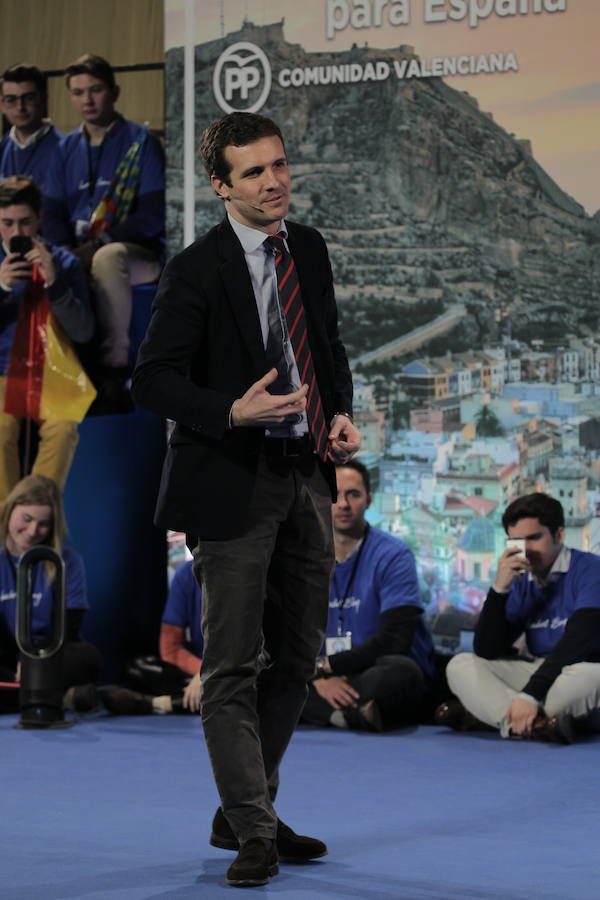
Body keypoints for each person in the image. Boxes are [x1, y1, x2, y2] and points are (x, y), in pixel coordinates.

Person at [132, 111, 361, 887]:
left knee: (297, 659)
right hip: (229, 481)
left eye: (280, 165)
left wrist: (340, 412)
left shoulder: (311, 249)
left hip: (304, 474)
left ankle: (243, 810)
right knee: (233, 665)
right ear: (222, 187)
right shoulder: (197, 270)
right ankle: (256, 830)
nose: (275, 182)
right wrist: (234, 410)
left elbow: (327, 347)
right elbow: (152, 379)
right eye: (255, 172)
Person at [43, 54, 165, 412]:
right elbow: (50, 213)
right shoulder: (62, 149)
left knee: (107, 258)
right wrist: (66, 251)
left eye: (95, 90)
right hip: (77, 249)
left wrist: (99, 244)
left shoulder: (141, 143)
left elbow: (152, 215)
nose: (87, 100)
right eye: (78, 92)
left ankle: (114, 370)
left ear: (114, 91)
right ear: (70, 97)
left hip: (134, 254)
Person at [437, 492, 600, 743]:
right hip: (537, 671)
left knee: (591, 677)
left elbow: (580, 641)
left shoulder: (590, 569)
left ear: (559, 535)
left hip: (575, 670)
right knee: (460, 666)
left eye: (534, 538)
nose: (527, 550)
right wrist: (499, 589)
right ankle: (539, 725)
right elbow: (487, 650)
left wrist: (529, 695)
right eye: (517, 542)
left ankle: (492, 717)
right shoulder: (521, 578)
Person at [300, 460, 434, 731]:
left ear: (369, 500)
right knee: (264, 675)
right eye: (335, 495)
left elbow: (395, 640)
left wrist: (324, 667)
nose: (343, 504)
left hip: (374, 671)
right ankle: (350, 714)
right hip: (323, 674)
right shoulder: (303, 558)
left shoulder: (393, 554)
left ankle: (330, 711)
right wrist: (318, 680)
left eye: (353, 494)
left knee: (402, 672)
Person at [0, 175, 94, 501]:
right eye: (7, 223)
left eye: (25, 222)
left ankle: (34, 517)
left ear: (39, 219)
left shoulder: (63, 262)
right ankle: (6, 532)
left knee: (64, 430)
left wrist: (55, 285)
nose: (16, 233)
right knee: (0, 431)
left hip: (53, 373)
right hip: (3, 373)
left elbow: (83, 332)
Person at [0, 474, 101, 713]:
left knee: (88, 657)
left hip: (52, 656)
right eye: (26, 519)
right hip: (7, 660)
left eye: (43, 524)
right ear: (10, 510)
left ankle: (26, 694)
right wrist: (18, 663)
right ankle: (57, 698)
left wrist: (35, 663)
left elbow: (70, 626)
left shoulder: (67, 560)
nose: (33, 531)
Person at [102, 559, 203, 714]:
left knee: (241, 681)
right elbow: (170, 647)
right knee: (137, 667)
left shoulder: (247, 575)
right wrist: (202, 671)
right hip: (197, 671)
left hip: (236, 670)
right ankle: (205, 694)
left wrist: (210, 674)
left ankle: (161, 704)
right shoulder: (185, 574)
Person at [0, 64, 63, 194]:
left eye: (28, 98)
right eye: (11, 100)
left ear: (43, 99)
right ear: (2, 104)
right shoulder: (2, 148)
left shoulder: (65, 149)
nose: (20, 107)